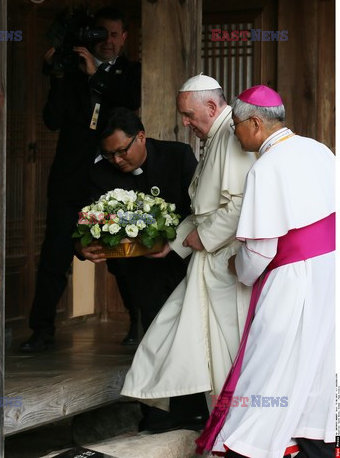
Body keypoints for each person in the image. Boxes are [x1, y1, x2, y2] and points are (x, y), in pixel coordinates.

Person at [196, 85, 335, 458]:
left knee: (268, 361)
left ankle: (253, 444)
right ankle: (308, 437)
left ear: (255, 123)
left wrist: (237, 270)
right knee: (316, 358)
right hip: (327, 272)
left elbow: (260, 250)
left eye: (236, 126)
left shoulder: (267, 166)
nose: (234, 133)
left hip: (290, 277)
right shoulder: (320, 150)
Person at [121, 74, 256, 411]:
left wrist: (202, 237)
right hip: (205, 260)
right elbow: (203, 209)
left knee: (222, 350)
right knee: (177, 334)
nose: (184, 123)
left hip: (224, 262)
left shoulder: (232, 134)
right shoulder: (217, 134)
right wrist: (175, 243)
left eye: (188, 115)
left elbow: (241, 203)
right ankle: (206, 423)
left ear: (211, 106)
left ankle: (226, 432)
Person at [77, 107, 208, 431]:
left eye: (122, 151)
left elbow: (201, 207)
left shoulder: (177, 156)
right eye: (109, 155)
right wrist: (81, 247)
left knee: (189, 337)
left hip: (186, 263)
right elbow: (85, 220)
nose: (117, 160)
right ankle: (159, 416)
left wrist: (175, 242)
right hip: (139, 271)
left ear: (141, 137)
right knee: (154, 335)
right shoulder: (100, 174)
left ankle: (194, 411)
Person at [21, 7, 141, 352]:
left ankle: (137, 318)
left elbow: (123, 113)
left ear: (124, 38)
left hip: (109, 179)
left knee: (121, 255)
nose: (108, 41)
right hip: (70, 179)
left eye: (116, 35)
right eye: (102, 34)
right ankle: (42, 329)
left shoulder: (130, 73)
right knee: (54, 256)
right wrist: (58, 77)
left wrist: (96, 79)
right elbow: (52, 120)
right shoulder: (71, 72)